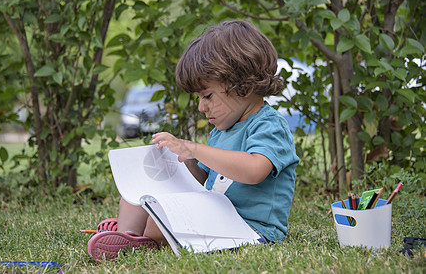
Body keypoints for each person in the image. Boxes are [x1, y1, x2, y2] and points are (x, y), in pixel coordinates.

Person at [87, 20, 299, 261]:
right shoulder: (222, 130)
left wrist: (195, 148)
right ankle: (129, 235)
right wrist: (185, 164)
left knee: (165, 215)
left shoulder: (269, 125)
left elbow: (253, 170)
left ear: (244, 85)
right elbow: (205, 182)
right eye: (198, 97)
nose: (201, 106)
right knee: (140, 191)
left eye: (207, 95)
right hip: (216, 217)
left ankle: (142, 240)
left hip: (250, 230)